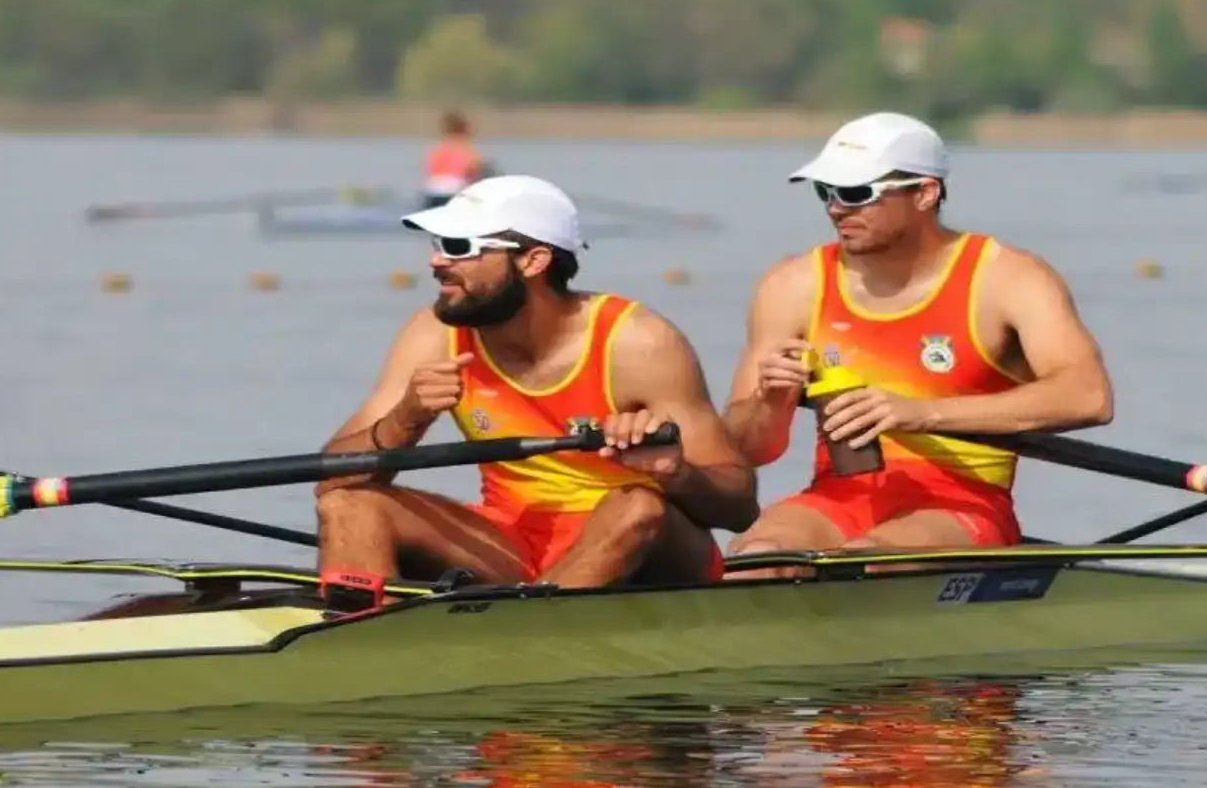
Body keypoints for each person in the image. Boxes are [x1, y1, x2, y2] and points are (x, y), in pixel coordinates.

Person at [312, 174, 757, 590]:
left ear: (533, 260)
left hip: (646, 543)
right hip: (512, 543)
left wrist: (675, 472)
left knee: (638, 505)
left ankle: (522, 631)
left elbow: (739, 507)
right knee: (350, 505)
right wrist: (403, 422)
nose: (436, 260)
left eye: (457, 246)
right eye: (436, 244)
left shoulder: (637, 343)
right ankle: (359, 637)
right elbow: (331, 482)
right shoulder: (434, 335)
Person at [719, 112, 1114, 570]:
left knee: (866, 564)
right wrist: (769, 402)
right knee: (757, 559)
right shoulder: (792, 285)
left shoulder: (1007, 279)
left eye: (855, 193)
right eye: (824, 191)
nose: (835, 208)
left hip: (960, 504)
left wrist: (921, 412)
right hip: (839, 495)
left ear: (925, 193)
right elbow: (748, 452)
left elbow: (1089, 397)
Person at [420, 110, 493, 207]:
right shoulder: (466, 149)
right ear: (465, 129)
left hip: (432, 192)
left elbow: (430, 170)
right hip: (454, 192)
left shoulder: (437, 150)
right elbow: (473, 171)